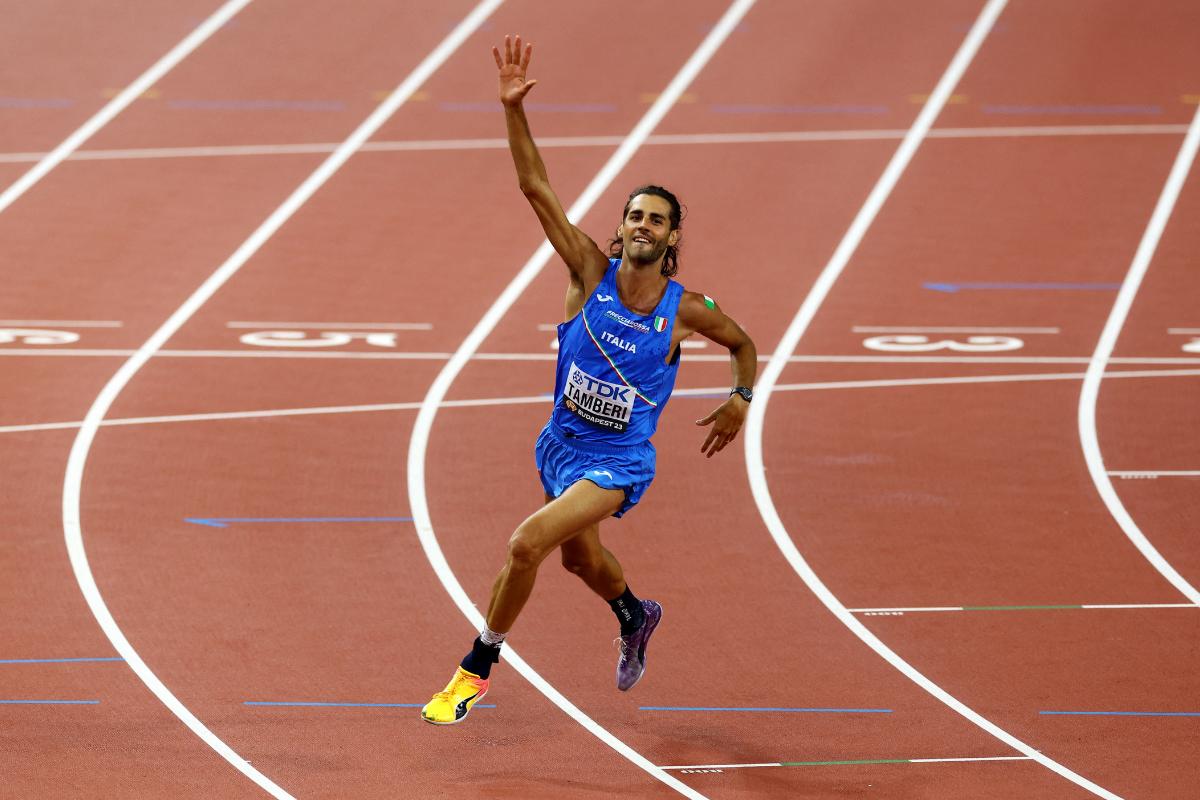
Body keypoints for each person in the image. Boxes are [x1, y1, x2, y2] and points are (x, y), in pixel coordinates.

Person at [421, 35, 757, 725]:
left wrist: (740, 398)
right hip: (562, 447)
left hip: (620, 463)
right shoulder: (587, 276)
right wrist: (513, 109)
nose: (643, 224)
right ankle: (635, 613)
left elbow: (744, 343)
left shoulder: (686, 310)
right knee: (580, 562)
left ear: (671, 240)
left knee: (525, 545)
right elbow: (534, 187)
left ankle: (476, 668)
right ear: (621, 229)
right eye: (635, 214)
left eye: (657, 220)